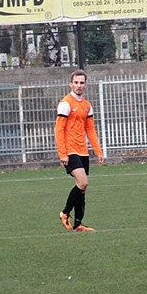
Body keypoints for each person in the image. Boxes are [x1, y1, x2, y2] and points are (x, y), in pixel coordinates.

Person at [54, 70, 103, 232]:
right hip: (70, 150)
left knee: (82, 188)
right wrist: (63, 153)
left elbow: (90, 130)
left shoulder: (87, 105)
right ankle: (65, 212)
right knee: (83, 182)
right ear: (71, 84)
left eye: (82, 83)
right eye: (76, 82)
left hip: (83, 151)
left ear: (85, 85)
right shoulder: (66, 103)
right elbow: (59, 130)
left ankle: (78, 224)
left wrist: (98, 150)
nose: (79, 86)